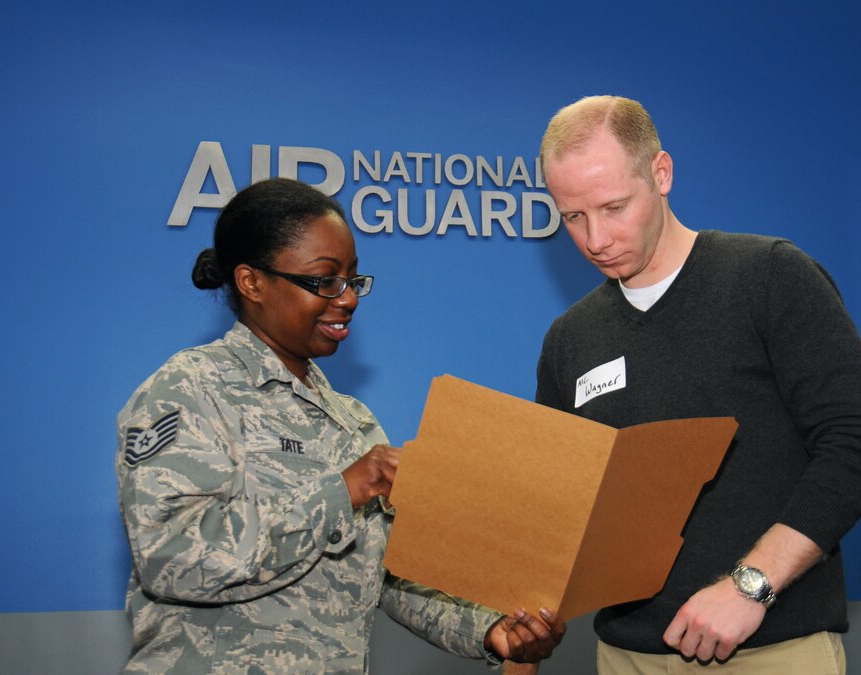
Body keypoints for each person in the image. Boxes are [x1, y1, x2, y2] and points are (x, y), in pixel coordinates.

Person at [116, 177, 565, 673]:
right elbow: (170, 557)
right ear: (252, 282)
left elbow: (389, 574)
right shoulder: (188, 390)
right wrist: (342, 491)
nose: (348, 298)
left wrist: (489, 628)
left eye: (353, 280)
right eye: (324, 280)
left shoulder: (351, 419)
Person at [522, 96, 861, 673]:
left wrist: (751, 587)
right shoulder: (569, 339)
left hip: (768, 647)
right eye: (572, 216)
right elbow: (563, 502)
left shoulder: (769, 277)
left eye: (614, 207)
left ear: (662, 173)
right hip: (626, 655)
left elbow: (860, 443)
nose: (596, 237)